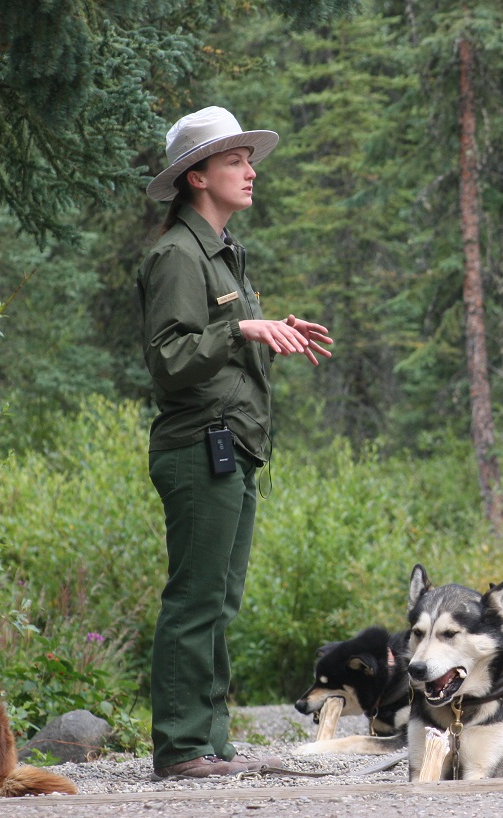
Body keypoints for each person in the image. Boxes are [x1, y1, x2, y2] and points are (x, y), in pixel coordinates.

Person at [137, 107, 334, 779]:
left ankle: (211, 742)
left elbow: (213, 347)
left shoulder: (224, 253)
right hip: (197, 446)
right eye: (234, 161)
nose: (250, 172)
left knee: (221, 600)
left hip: (231, 446)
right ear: (196, 176)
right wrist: (243, 329)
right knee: (195, 597)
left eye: (249, 160)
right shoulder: (175, 254)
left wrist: (268, 326)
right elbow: (169, 359)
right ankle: (181, 745)